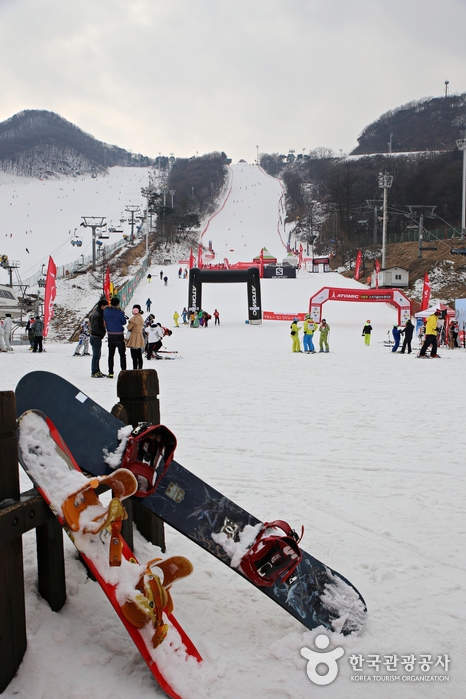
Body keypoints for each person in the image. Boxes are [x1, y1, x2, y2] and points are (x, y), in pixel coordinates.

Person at [103, 297, 127, 377]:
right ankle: (123, 371)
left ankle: (110, 372)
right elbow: (123, 322)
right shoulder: (119, 312)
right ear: (117, 304)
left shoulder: (106, 311)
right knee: (122, 354)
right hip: (119, 334)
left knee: (111, 354)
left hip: (110, 334)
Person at [89, 298, 107, 377]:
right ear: (102, 306)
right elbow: (97, 327)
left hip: (95, 336)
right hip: (96, 336)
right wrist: (102, 333)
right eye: (106, 306)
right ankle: (94, 371)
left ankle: (97, 370)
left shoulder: (95, 313)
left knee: (98, 355)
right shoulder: (98, 315)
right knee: (96, 355)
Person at [126, 304, 145, 369]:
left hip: (134, 336)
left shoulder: (134, 318)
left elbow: (129, 327)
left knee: (134, 356)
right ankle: (140, 368)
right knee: (139, 355)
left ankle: (135, 369)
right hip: (140, 336)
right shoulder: (140, 317)